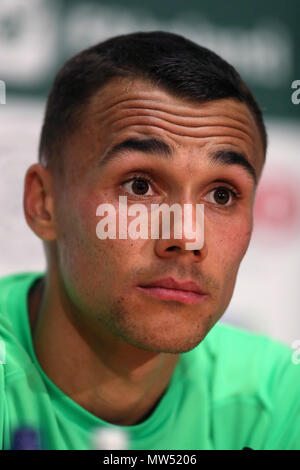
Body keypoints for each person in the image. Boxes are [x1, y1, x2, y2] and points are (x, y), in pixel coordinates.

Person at [0, 31, 299, 451]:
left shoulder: (279, 398)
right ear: (44, 203)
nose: (187, 237)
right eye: (140, 186)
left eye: (221, 195)